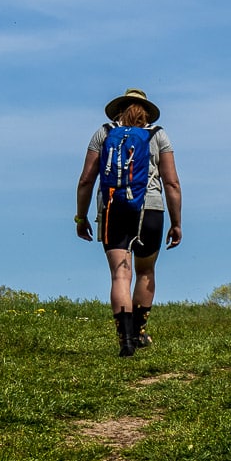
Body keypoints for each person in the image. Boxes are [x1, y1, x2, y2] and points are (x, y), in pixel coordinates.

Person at [75, 88, 182, 357]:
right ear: (146, 112)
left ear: (119, 110)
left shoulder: (104, 133)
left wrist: (81, 216)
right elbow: (171, 183)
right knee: (145, 272)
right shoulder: (158, 135)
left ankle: (125, 341)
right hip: (152, 209)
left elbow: (86, 179)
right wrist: (176, 222)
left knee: (120, 275)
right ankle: (138, 332)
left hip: (114, 208)